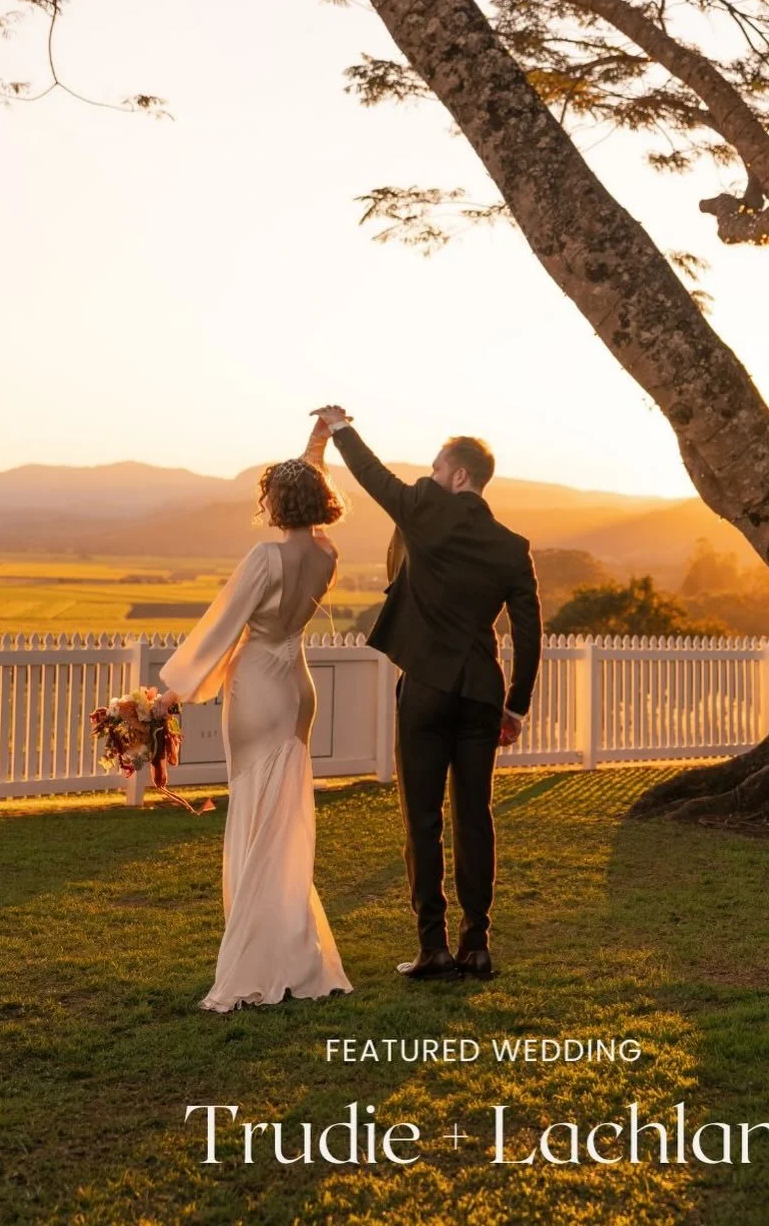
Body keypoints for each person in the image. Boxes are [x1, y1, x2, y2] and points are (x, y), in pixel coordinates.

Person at [312, 405, 542, 981]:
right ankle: (478, 945)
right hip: (482, 692)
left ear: (459, 475)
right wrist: (516, 704)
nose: (431, 475)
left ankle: (433, 947)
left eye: (438, 468)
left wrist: (341, 429)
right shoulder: (513, 546)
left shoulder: (424, 507)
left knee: (422, 818)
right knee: (475, 815)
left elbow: (372, 477)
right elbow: (529, 630)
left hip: (426, 690)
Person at [156, 418, 352, 1011]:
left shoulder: (265, 557)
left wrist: (171, 694)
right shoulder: (326, 553)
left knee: (255, 816)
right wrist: (319, 442)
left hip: (260, 688)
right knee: (282, 822)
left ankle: (256, 958)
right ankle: (292, 949)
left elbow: (221, 626)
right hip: (298, 689)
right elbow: (305, 498)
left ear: (277, 504)